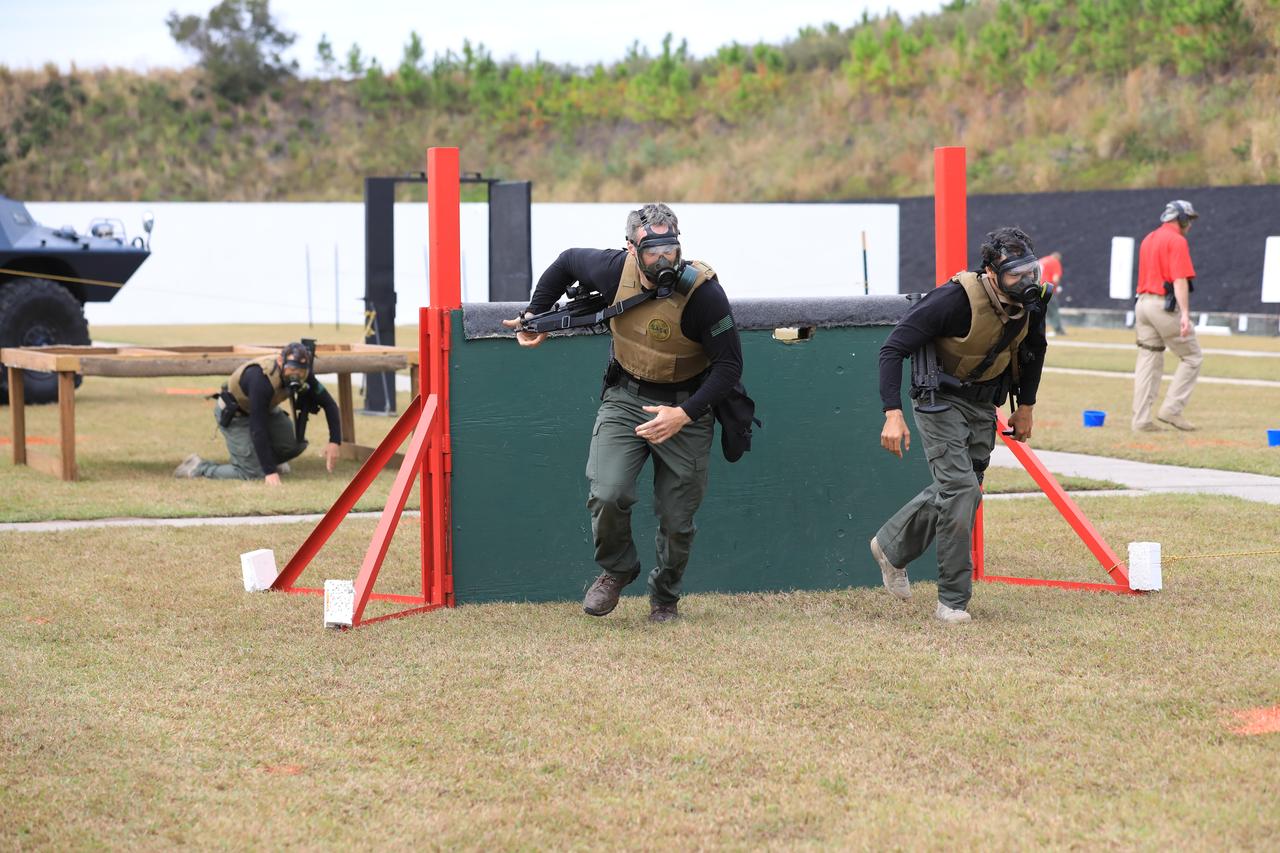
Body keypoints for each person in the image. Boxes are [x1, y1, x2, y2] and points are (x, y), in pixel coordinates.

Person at [500, 203, 743, 623]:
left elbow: (729, 367)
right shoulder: (613, 270)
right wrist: (535, 316)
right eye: (653, 251)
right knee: (607, 492)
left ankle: (665, 597)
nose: (664, 260)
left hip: (687, 406)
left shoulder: (704, 293)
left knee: (677, 517)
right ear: (632, 249)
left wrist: (683, 414)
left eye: (671, 249)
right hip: (625, 397)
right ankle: (616, 570)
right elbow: (566, 262)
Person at [870, 227, 1050, 624]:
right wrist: (892, 412)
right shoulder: (954, 299)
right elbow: (892, 348)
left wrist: (1027, 407)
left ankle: (890, 546)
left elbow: (1034, 351)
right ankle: (952, 602)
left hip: (984, 403)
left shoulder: (1034, 303)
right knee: (961, 489)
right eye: (1015, 274)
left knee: (962, 490)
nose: (1026, 282)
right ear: (990, 272)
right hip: (938, 399)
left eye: (1030, 271)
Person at [174, 342, 342, 485]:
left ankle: (266, 460)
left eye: (302, 371)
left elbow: (329, 404)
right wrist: (269, 471)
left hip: (265, 410)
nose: (296, 375)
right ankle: (198, 467)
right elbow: (257, 427)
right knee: (252, 473)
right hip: (236, 415)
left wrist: (335, 441)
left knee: (296, 445)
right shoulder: (260, 379)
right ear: (280, 361)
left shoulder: (304, 374)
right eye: (292, 369)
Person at [1132, 199, 1203, 432]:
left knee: (1148, 359)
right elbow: (1180, 279)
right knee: (1192, 357)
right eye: (1188, 220)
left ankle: (1141, 420)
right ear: (1180, 219)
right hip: (1162, 305)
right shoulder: (1176, 240)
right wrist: (1185, 314)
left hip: (1142, 303)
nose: (1190, 225)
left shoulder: (1149, 238)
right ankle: (1172, 409)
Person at [1040, 251, 1066, 335]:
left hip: (1036, 287)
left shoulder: (1041, 260)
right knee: (1053, 310)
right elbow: (1055, 278)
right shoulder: (1055, 262)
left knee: (1039, 311)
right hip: (1047, 288)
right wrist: (1056, 287)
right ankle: (1058, 330)